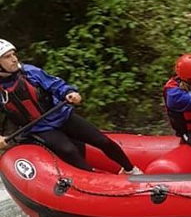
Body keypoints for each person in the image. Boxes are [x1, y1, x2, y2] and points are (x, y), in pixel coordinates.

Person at [0, 38, 142, 174]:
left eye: (13, 54)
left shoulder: (30, 72)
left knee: (102, 140)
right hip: (38, 129)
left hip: (61, 116)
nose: (14, 59)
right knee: (69, 150)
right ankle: (93, 180)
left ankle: (131, 169)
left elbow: (55, 85)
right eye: (7, 57)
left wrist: (69, 92)